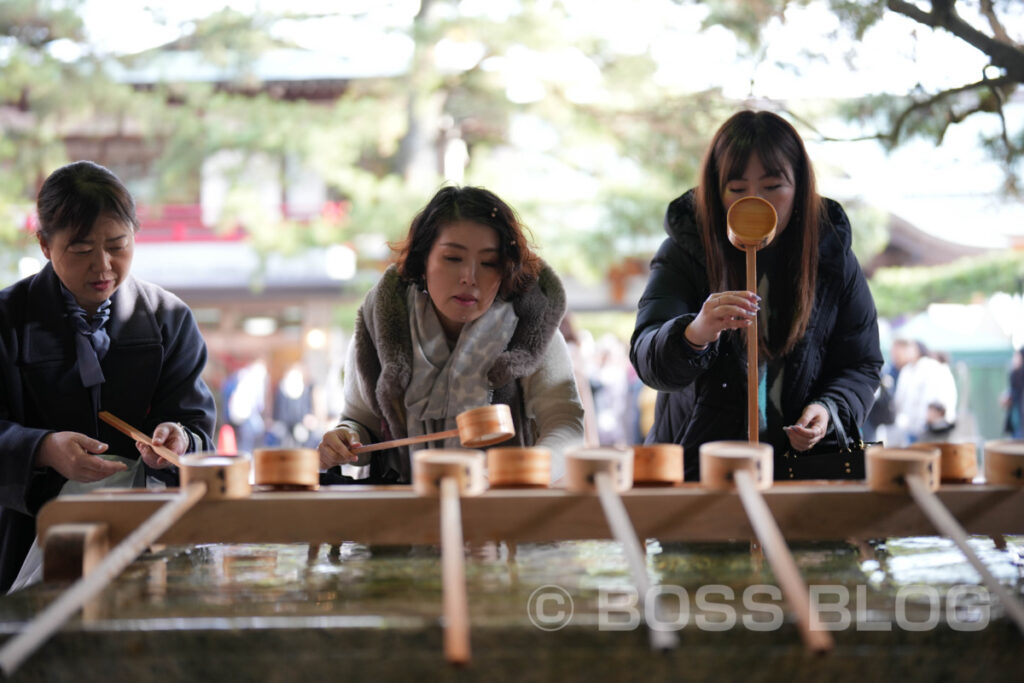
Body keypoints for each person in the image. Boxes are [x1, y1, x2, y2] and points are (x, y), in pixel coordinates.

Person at [629, 110, 883, 479]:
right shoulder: (685, 249)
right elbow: (648, 359)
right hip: (699, 473)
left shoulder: (830, 256)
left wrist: (829, 409)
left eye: (773, 186)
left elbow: (861, 364)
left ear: (799, 187)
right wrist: (695, 333)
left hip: (803, 477)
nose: (754, 201)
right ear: (716, 191)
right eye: (736, 189)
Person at [0, 160, 216, 592]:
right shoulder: (6, 319)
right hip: (26, 541)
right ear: (45, 244)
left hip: (147, 541)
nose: (103, 266)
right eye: (81, 250)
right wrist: (42, 448)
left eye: (118, 246)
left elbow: (197, 431)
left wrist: (177, 439)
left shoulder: (168, 319)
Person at [317, 186, 585, 484]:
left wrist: (518, 473)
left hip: (506, 514)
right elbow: (360, 424)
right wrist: (344, 439)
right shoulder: (380, 328)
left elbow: (565, 423)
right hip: (402, 516)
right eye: (453, 258)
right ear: (423, 260)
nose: (469, 276)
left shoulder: (529, 330)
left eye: (488, 263)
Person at [890, 339, 957, 445]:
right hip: (910, 425)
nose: (908, 352)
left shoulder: (930, 367)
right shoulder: (907, 371)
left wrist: (927, 418)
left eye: (911, 349)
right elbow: (900, 399)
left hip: (929, 425)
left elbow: (931, 397)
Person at [1002, 347, 1024, 438]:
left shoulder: (1017, 374)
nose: (1014, 359)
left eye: (1017, 357)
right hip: (1016, 425)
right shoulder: (1015, 375)